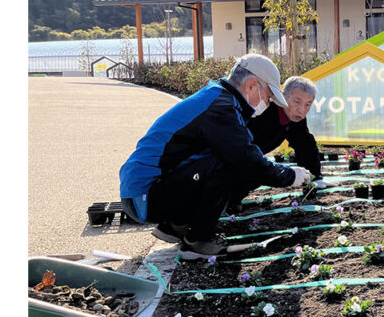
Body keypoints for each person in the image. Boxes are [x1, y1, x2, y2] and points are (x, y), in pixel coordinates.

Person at [119, 53, 311, 259]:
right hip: (146, 196)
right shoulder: (221, 108)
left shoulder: (219, 98)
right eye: (268, 97)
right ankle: (198, 240)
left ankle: (176, 225)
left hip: (147, 190)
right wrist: (290, 176)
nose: (267, 103)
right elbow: (247, 159)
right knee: (232, 162)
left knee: (229, 160)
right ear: (252, 85)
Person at [238, 76, 325, 208]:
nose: (301, 110)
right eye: (297, 102)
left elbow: (304, 143)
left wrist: (315, 177)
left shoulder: (295, 118)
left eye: (308, 104)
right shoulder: (264, 111)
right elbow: (241, 149)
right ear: (284, 96)